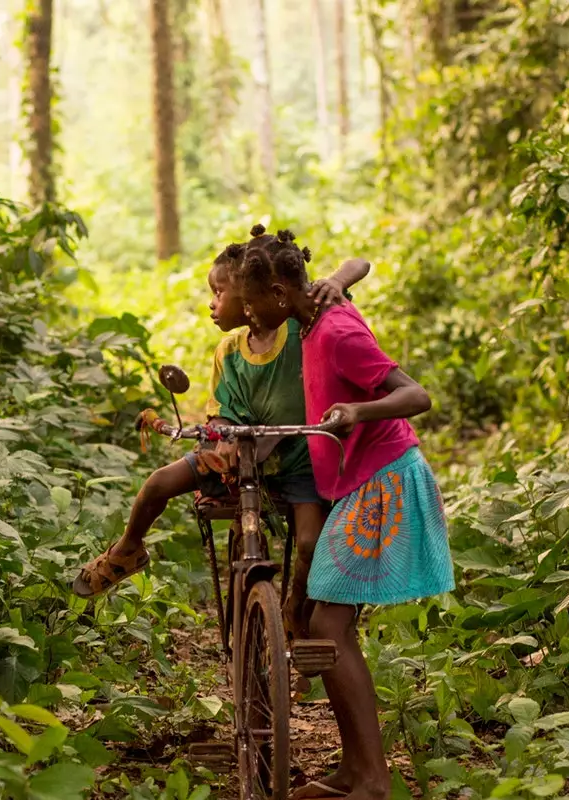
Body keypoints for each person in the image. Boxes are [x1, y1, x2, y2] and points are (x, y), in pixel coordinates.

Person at [233, 230, 454, 800]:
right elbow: (349, 270)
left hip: (383, 480)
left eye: (254, 305)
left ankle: (377, 785)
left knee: (328, 625)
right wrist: (345, 274)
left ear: (281, 292)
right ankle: (355, 770)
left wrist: (359, 412)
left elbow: (417, 395)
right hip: (355, 485)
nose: (251, 316)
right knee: (322, 623)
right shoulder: (310, 319)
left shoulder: (336, 330)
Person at [72, 229, 371, 624]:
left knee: (310, 543)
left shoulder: (297, 324)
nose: (213, 304)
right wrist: (222, 439)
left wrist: (335, 281)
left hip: (300, 460)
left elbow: (359, 264)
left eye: (219, 293)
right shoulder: (229, 352)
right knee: (159, 483)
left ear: (253, 296)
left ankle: (296, 609)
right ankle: (128, 548)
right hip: (242, 457)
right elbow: (223, 410)